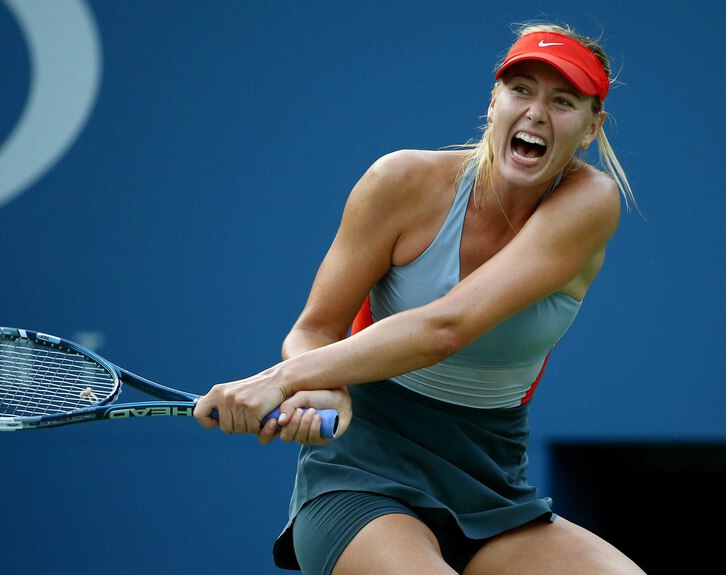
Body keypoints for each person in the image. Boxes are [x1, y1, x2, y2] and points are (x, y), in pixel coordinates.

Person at [195, 22, 646, 575]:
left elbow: (447, 328)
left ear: (590, 128)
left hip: (491, 482)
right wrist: (324, 386)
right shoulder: (400, 181)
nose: (535, 112)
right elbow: (314, 329)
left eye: (563, 100)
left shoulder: (591, 201)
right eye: (521, 89)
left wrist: (281, 381)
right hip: (361, 473)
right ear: (494, 100)